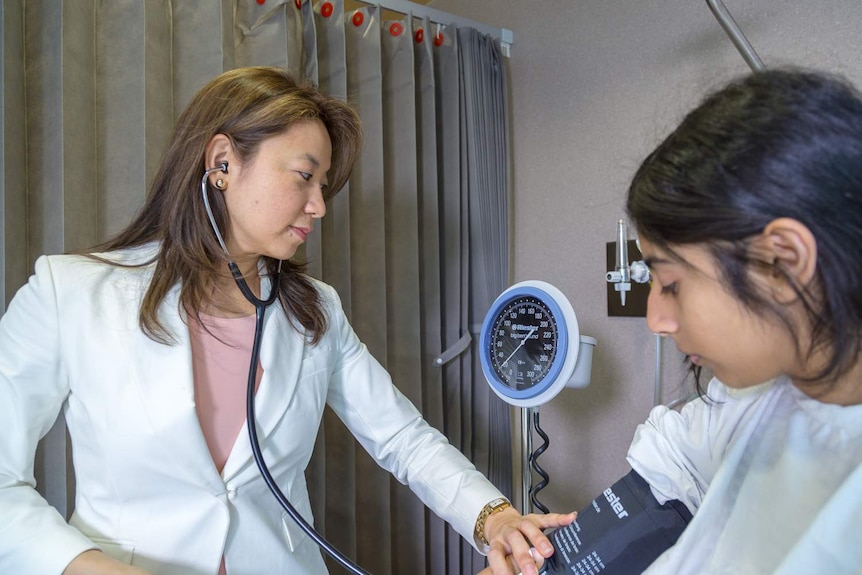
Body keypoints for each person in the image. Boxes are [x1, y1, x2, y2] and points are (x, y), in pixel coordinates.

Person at [0, 66, 576, 575]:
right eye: (304, 176)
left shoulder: (315, 311)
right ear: (222, 162)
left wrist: (494, 518)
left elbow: (403, 439)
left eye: (324, 185)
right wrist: (84, 567)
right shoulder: (70, 292)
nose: (320, 205)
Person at [481, 67, 862, 575]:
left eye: (672, 283)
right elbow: (677, 453)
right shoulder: (763, 397)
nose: (657, 319)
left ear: (783, 262)